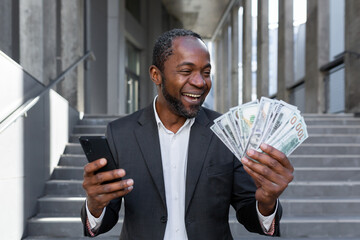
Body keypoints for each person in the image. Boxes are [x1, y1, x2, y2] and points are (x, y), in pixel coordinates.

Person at [81, 29, 294, 240]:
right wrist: (95, 204)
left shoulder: (227, 131)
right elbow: (105, 219)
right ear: (156, 75)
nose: (200, 82)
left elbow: (250, 214)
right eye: (186, 71)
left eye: (206, 72)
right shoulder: (121, 133)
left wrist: (266, 201)